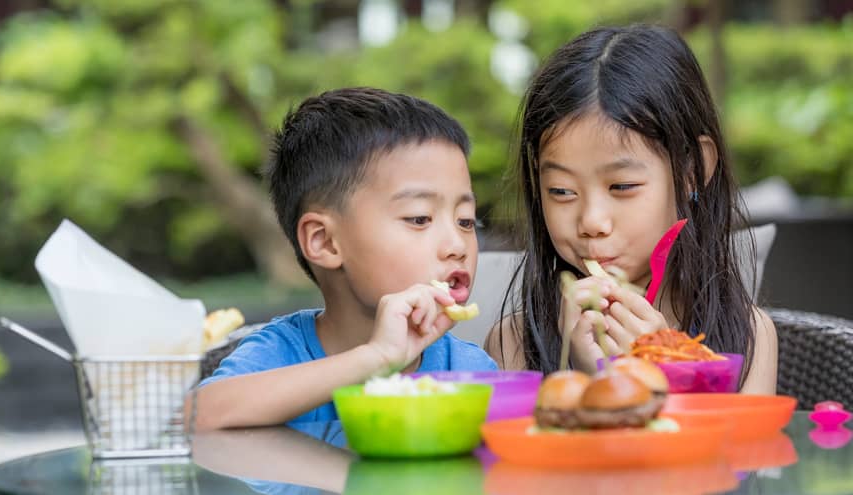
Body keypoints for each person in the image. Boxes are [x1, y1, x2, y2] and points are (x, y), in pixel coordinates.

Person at [484, 24, 777, 394]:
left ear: (691, 171)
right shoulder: (513, 344)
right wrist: (595, 383)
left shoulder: (747, 336)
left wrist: (661, 375)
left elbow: (742, 453)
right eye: (560, 191)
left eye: (621, 186)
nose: (592, 221)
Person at [192, 87, 497, 429]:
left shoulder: (468, 367)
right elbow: (196, 416)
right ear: (325, 242)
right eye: (419, 218)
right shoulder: (279, 353)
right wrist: (376, 358)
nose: (458, 244)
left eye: (466, 221)